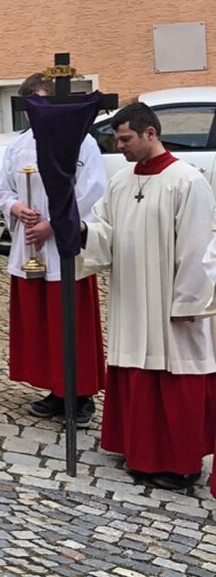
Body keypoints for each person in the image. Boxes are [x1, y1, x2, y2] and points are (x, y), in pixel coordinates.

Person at [81, 101, 216, 492]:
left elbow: (198, 246)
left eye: (125, 139)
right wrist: (82, 232)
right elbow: (104, 228)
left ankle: (180, 465)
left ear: (150, 134)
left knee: (175, 378)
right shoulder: (122, 182)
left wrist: (190, 301)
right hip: (133, 297)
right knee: (136, 372)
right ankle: (139, 452)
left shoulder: (187, 181)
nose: (119, 146)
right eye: (117, 139)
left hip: (171, 302)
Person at [0, 73, 107, 425]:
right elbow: (2, 188)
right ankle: (55, 390)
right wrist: (15, 209)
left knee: (70, 322)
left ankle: (81, 394)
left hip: (63, 249)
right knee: (41, 325)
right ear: (27, 110)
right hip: (29, 249)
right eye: (36, 107)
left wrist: (54, 225)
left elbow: (93, 191)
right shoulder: (17, 145)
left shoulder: (81, 143)